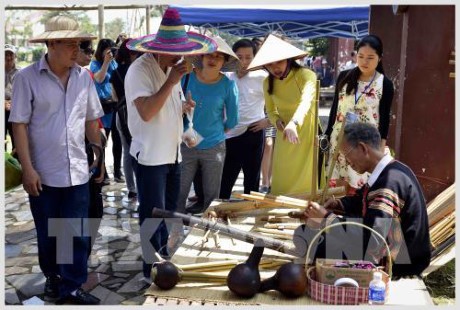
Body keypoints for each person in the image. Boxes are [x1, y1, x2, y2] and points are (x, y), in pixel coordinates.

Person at [9, 15, 103, 305]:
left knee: (73, 232)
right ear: (51, 44)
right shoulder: (26, 78)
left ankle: (72, 285)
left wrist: (98, 156)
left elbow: (90, 119)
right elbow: (19, 124)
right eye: (70, 44)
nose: (77, 49)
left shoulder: (83, 78)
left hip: (77, 169)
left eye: (79, 43)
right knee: (49, 232)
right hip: (43, 171)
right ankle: (53, 277)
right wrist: (27, 168)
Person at [124, 7, 216, 282]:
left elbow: (165, 109)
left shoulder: (171, 69)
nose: (180, 56)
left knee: (168, 214)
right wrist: (172, 81)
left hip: (173, 154)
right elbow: (147, 112)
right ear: (159, 48)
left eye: (182, 51)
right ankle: (150, 269)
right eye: (175, 50)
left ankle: (163, 260)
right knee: (152, 215)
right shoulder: (139, 71)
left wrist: (183, 106)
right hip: (151, 156)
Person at [294, 122, 431, 278]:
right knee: (308, 235)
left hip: (399, 261)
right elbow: (363, 202)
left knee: (314, 241)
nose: (347, 162)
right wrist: (339, 205)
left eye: (346, 155)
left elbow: (373, 238)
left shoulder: (389, 183)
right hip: (391, 245)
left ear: (363, 148)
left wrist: (326, 220)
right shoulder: (392, 170)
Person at [247, 34, 324, 195]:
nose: (275, 67)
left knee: (306, 178)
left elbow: (306, 102)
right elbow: (270, 111)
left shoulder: (306, 75)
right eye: (270, 63)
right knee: (282, 174)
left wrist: (293, 123)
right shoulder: (267, 82)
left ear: (289, 59)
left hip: (306, 132)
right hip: (284, 133)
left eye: (279, 61)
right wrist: (277, 123)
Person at [325, 34, 394, 193]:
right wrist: (327, 137)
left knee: (360, 186)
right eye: (361, 56)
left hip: (365, 146)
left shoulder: (385, 84)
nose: (364, 61)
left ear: (379, 58)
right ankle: (336, 215)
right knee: (337, 186)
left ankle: (355, 216)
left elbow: (384, 120)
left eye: (370, 57)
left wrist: (380, 149)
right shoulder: (344, 77)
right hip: (339, 139)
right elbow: (335, 110)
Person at [178, 35, 239, 214]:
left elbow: (233, 119)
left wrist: (217, 132)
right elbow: (171, 106)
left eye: (219, 57)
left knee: (212, 196)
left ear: (224, 61)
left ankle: (207, 233)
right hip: (184, 144)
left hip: (214, 147)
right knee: (178, 193)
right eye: (210, 55)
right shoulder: (185, 78)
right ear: (202, 57)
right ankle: (173, 231)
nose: (213, 59)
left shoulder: (228, 85)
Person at [219, 38, 268, 199]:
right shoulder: (225, 77)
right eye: (240, 57)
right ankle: (219, 212)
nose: (244, 61)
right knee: (225, 178)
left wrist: (267, 121)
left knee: (252, 179)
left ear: (255, 57)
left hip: (253, 132)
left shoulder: (262, 77)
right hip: (229, 134)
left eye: (248, 57)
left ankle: (250, 212)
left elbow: (280, 102)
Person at [110, 38, 142, 200]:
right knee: (141, 150)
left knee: (128, 152)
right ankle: (143, 185)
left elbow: (114, 97)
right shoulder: (141, 70)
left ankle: (132, 189)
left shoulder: (116, 72)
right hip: (140, 114)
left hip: (121, 116)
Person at [90, 38, 124, 184]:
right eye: (108, 50)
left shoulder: (115, 63)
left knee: (118, 141)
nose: (111, 53)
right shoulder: (95, 64)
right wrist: (105, 62)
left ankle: (117, 171)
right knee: (102, 142)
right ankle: (102, 172)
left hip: (115, 107)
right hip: (102, 108)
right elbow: (99, 79)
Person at [5, 44, 20, 152]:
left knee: (17, 141)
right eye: (6, 54)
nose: (9, 57)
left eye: (11, 54)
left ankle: (16, 166)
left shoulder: (21, 73)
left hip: (16, 110)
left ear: (15, 56)